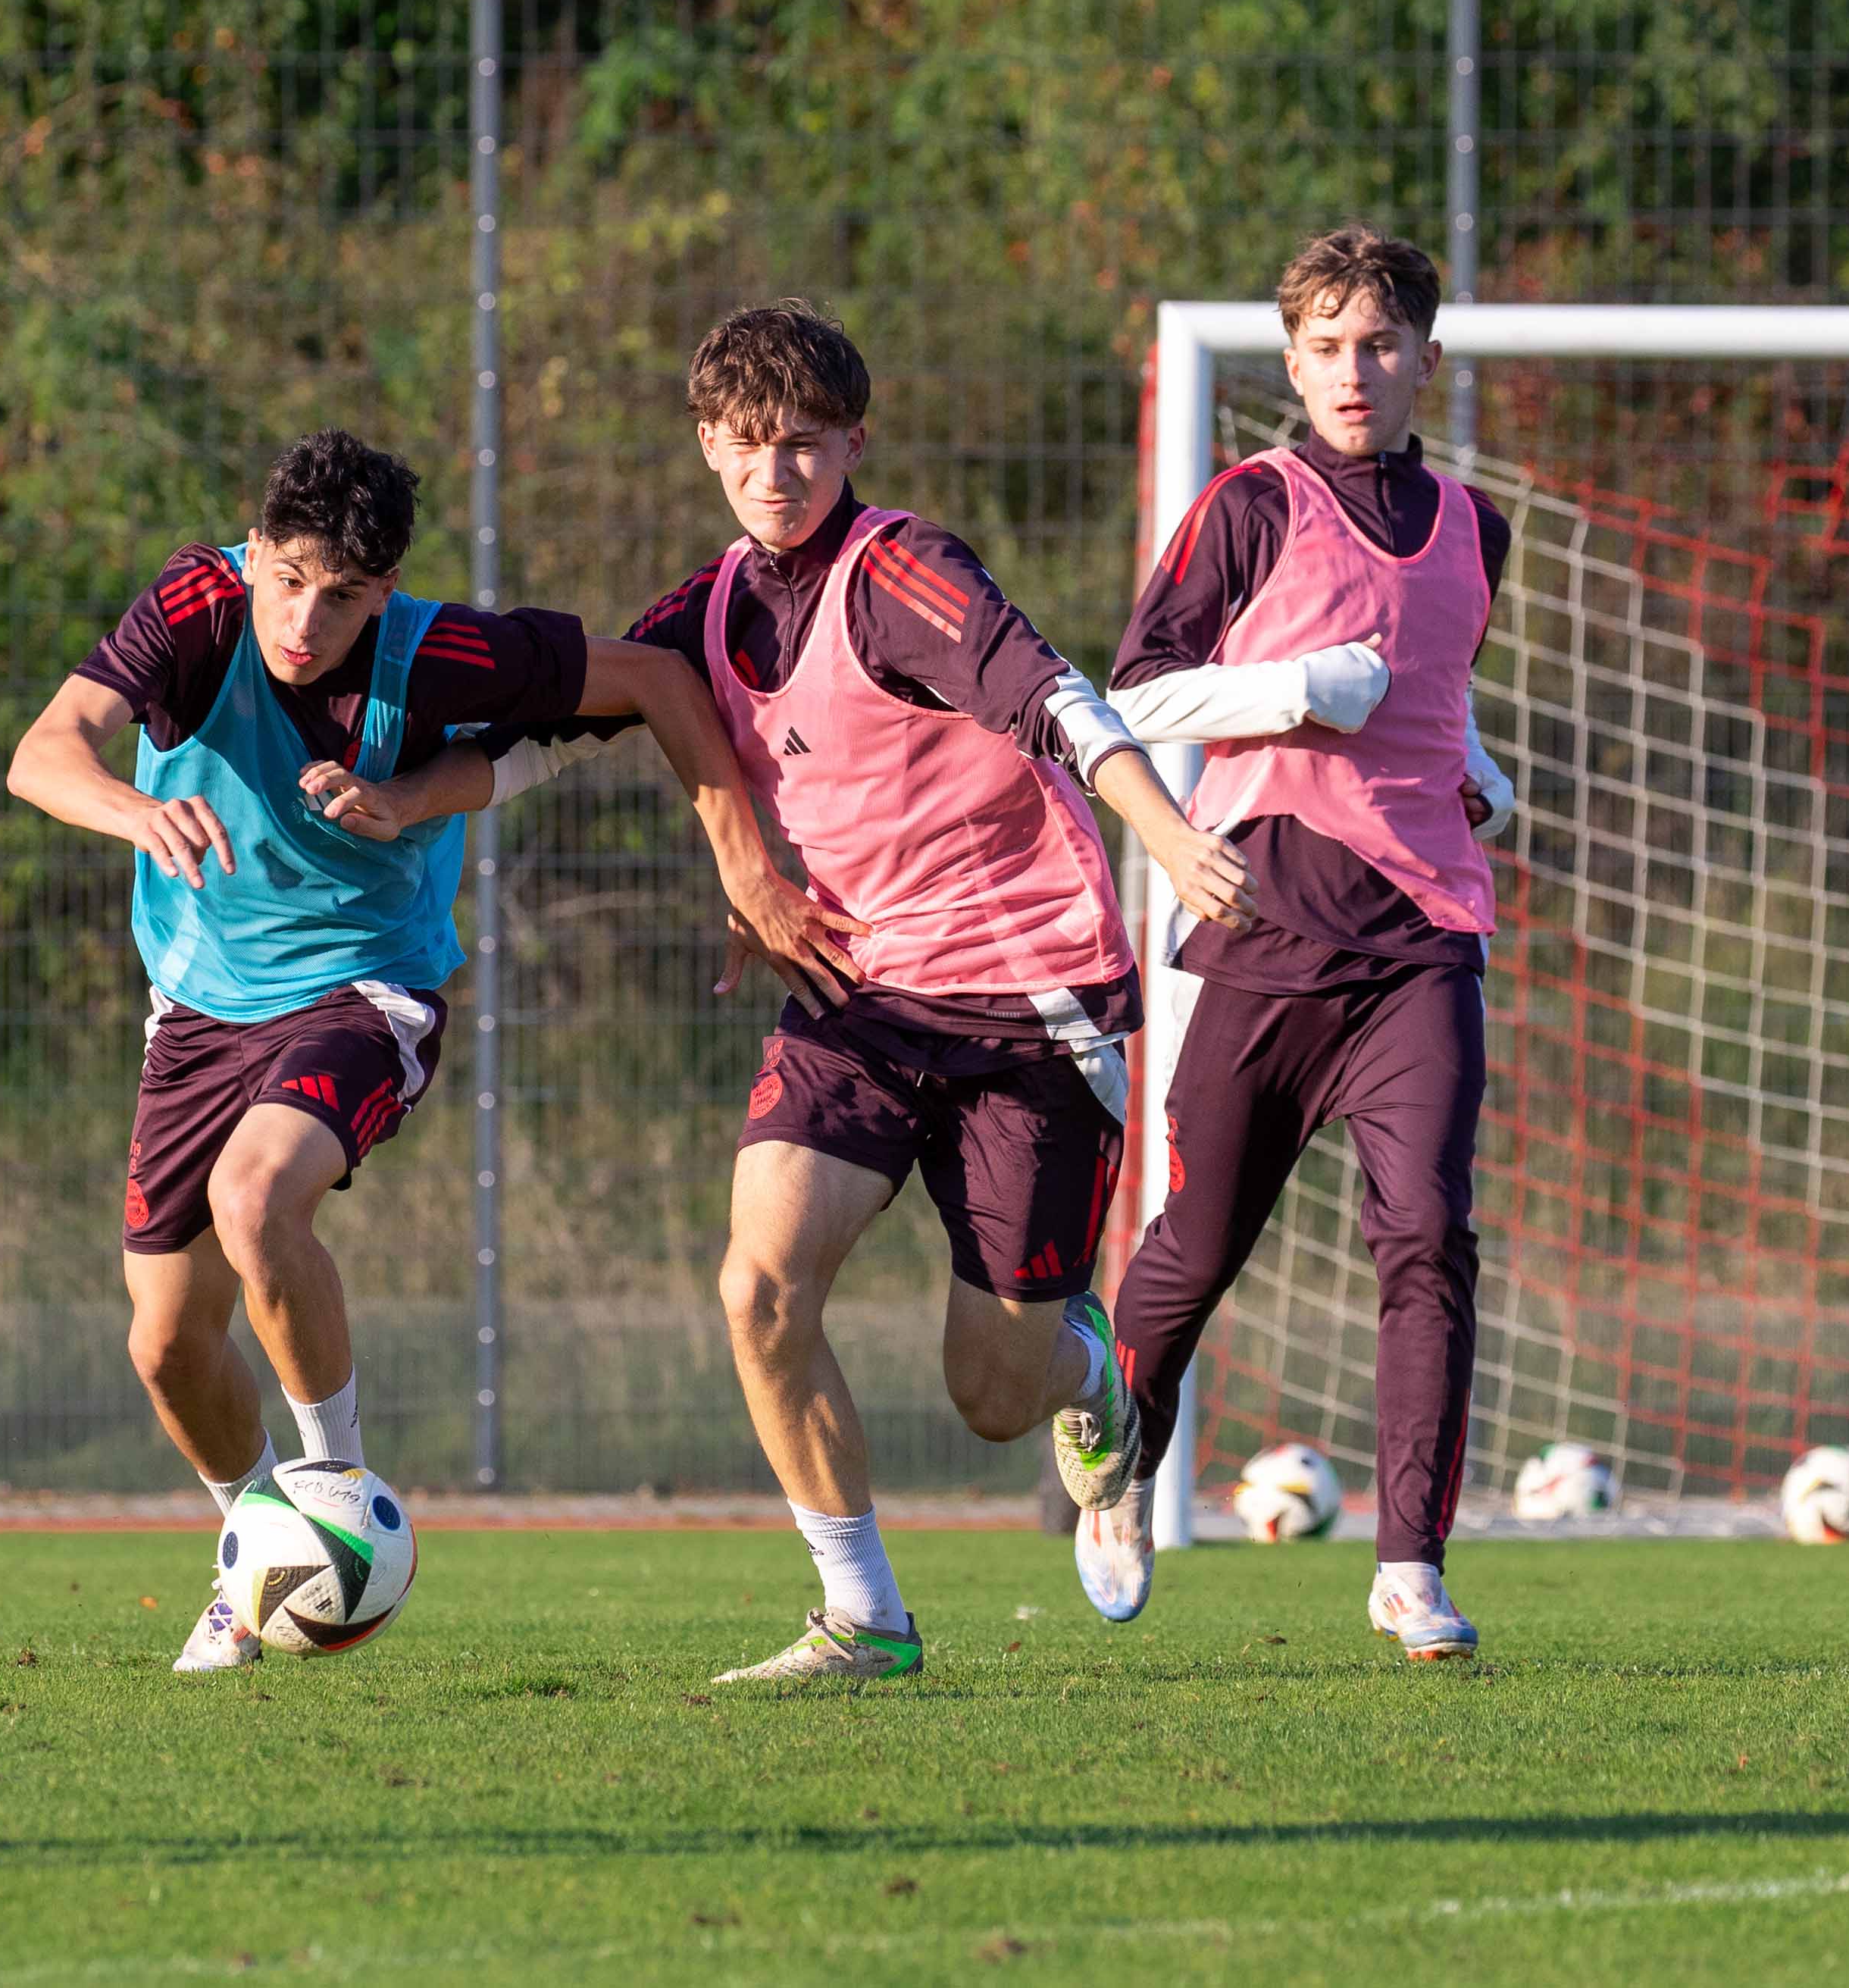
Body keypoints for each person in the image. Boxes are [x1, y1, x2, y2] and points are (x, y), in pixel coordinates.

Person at [363, 302, 1253, 1683]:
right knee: (758, 1287)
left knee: (992, 1395)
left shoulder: (903, 574)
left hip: (1029, 1001)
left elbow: (1060, 701)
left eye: (801, 445)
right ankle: (865, 1616)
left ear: (852, 443)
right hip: (851, 991)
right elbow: (548, 742)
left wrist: (1174, 838)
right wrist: (399, 796)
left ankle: (1102, 1379)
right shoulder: (711, 608)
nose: (772, 473)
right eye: (743, 445)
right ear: (707, 446)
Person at [5, 429, 838, 1673]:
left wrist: (749, 874)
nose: (303, 618)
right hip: (195, 1010)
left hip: (365, 986)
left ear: (385, 591)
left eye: (340, 596)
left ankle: (335, 1486)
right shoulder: (196, 602)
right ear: (254, 555)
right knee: (166, 1347)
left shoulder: (442, 649)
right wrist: (135, 808)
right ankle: (268, 1558)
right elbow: (42, 753)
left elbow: (659, 684)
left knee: (256, 1199)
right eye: (286, 578)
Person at [1078, 222, 1518, 1659]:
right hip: (1267, 929)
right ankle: (1118, 1468)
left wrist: (1472, 766)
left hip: (1425, 940)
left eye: (1381, 344)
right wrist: (1289, 692)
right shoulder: (1246, 508)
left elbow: (1420, 689)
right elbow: (1131, 698)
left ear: (1426, 363)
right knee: (1195, 1250)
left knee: (1429, 1239)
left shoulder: (1476, 527)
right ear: (1291, 361)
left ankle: (1411, 1568)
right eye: (1327, 346)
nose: (1354, 370)